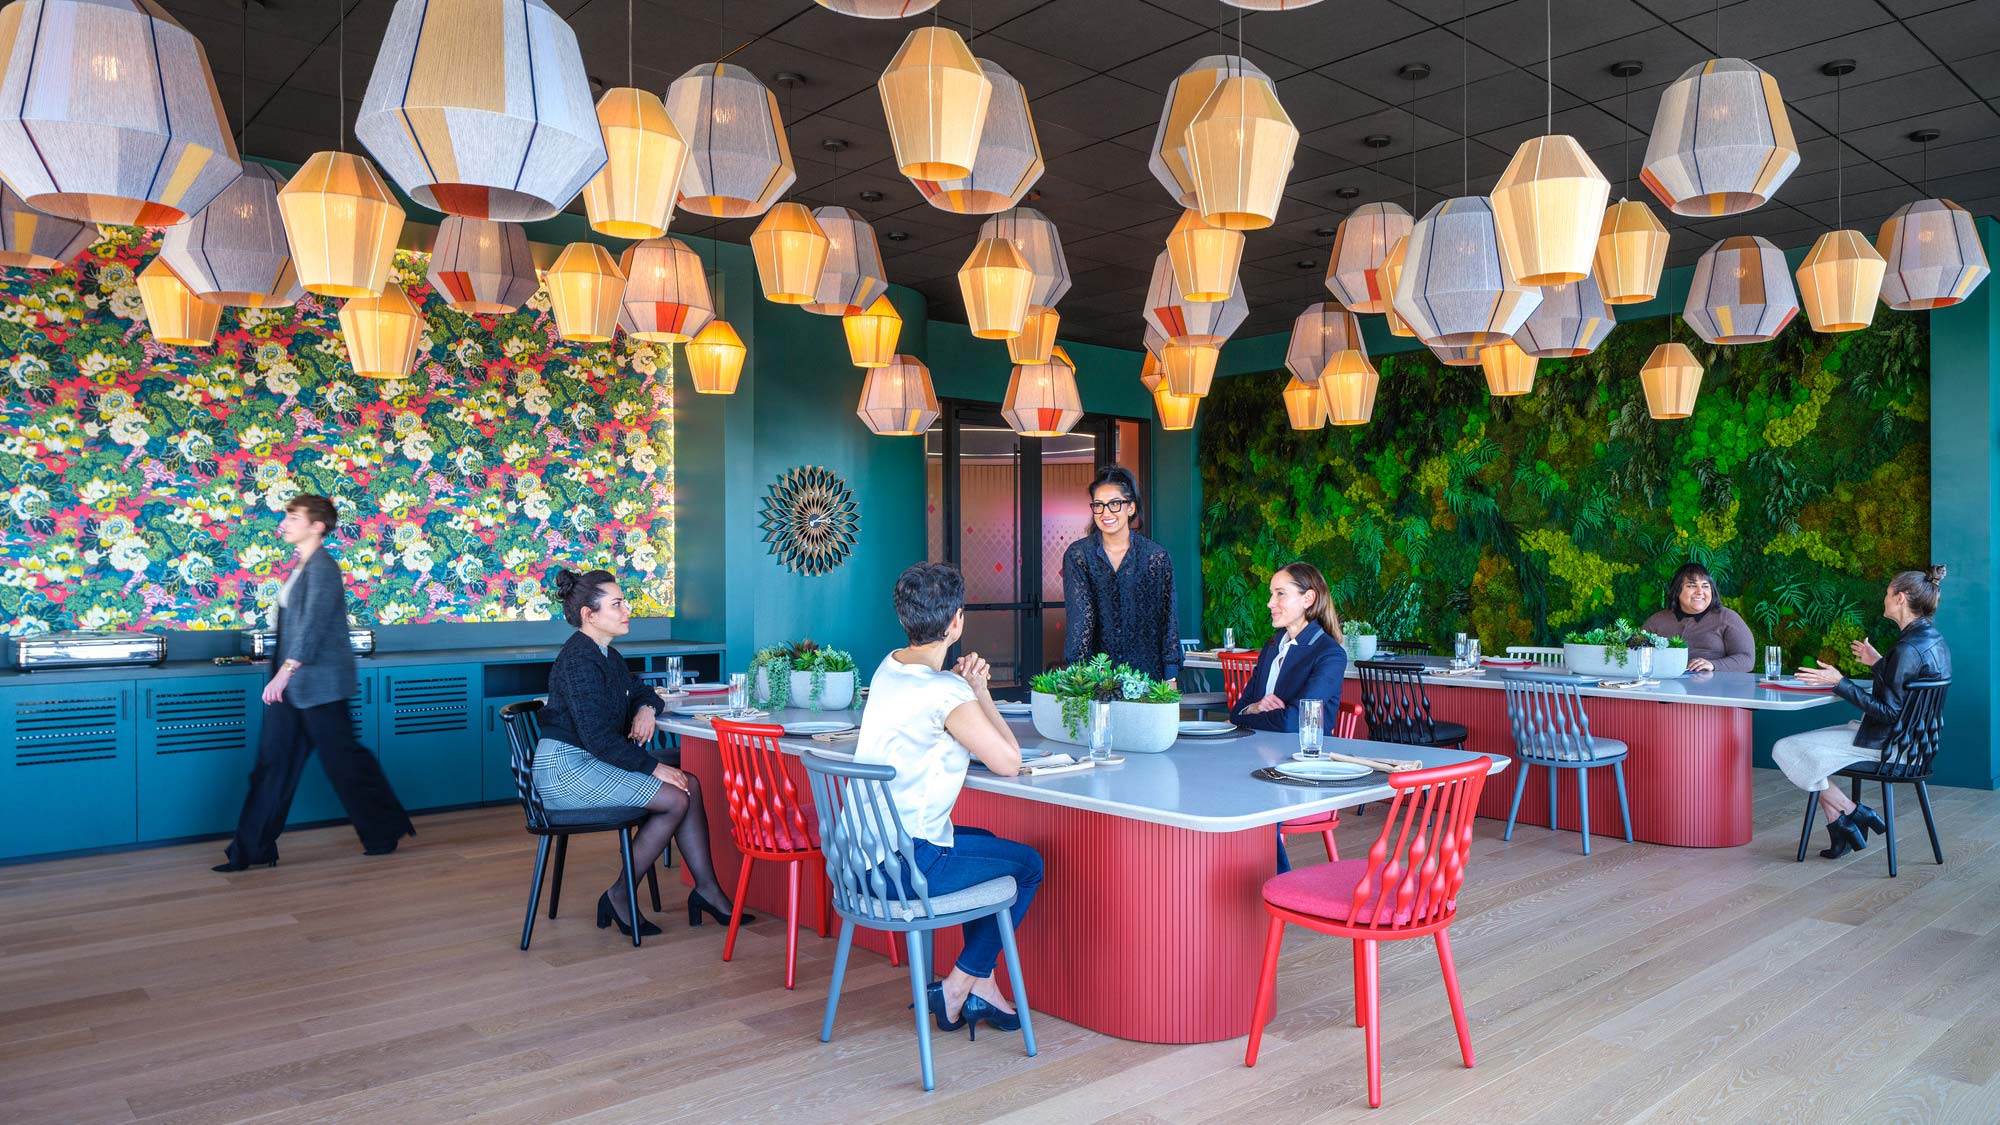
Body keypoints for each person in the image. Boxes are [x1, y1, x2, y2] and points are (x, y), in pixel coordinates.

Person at [856, 561, 1040, 1037]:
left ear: (904, 619)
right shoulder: (947, 690)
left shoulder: (888, 666)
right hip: (906, 866)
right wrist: (980, 690)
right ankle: (961, 984)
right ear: (957, 620)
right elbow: (1009, 761)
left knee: (984, 842)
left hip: (862, 859)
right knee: (1028, 865)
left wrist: (964, 692)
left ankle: (977, 984)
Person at [534, 568, 748, 937]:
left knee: (689, 784)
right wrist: (652, 768)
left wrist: (646, 708)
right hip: (564, 769)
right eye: (616, 604)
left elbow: (645, 691)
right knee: (674, 797)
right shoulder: (579, 660)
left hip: (588, 759)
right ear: (589, 614)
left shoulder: (606, 655)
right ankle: (619, 895)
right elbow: (599, 739)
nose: (626, 609)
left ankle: (707, 890)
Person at [215, 495, 414, 872]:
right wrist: (284, 675)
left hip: (318, 684)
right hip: (295, 685)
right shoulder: (303, 567)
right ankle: (253, 848)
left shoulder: (323, 566)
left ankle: (384, 829)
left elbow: (312, 627)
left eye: (293, 516)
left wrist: (283, 673)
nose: (285, 522)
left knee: (344, 762)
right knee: (273, 765)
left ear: (317, 525)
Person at [1775, 567, 1952, 859]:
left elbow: (1889, 712)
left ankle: (1853, 812)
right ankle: (1841, 827)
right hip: (1914, 745)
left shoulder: (1907, 647)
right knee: (1811, 753)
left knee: (1787, 748)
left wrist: (1839, 682)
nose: (1884, 597)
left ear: (1900, 597)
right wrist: (1879, 662)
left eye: (1887, 592)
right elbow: (1907, 686)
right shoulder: (1932, 639)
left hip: (1891, 748)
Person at [1061, 465, 1180, 681]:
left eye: (1115, 504)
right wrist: (1078, 676)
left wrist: (1170, 676)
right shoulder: (1079, 555)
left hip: (1147, 675)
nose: (1106, 513)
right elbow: (1080, 620)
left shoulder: (1156, 557)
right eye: (1099, 505)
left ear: (1131, 508)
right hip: (1097, 677)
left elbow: (1168, 619)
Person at [1230, 562, 1349, 733]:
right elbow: (1236, 712)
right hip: (1257, 748)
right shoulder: (1271, 647)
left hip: (1302, 755)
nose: (1270, 603)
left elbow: (1293, 723)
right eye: (1272, 594)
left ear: (1308, 599)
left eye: (1280, 594)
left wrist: (1245, 718)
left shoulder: (1330, 655)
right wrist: (1253, 708)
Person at [1641, 563, 1756, 673]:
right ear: (1677, 591)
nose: (1700, 591)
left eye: (1705, 586)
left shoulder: (1727, 618)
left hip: (1714, 689)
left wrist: (1713, 665)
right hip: (1665, 687)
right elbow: (1635, 653)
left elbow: (1747, 660)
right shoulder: (1657, 620)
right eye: (1692, 586)